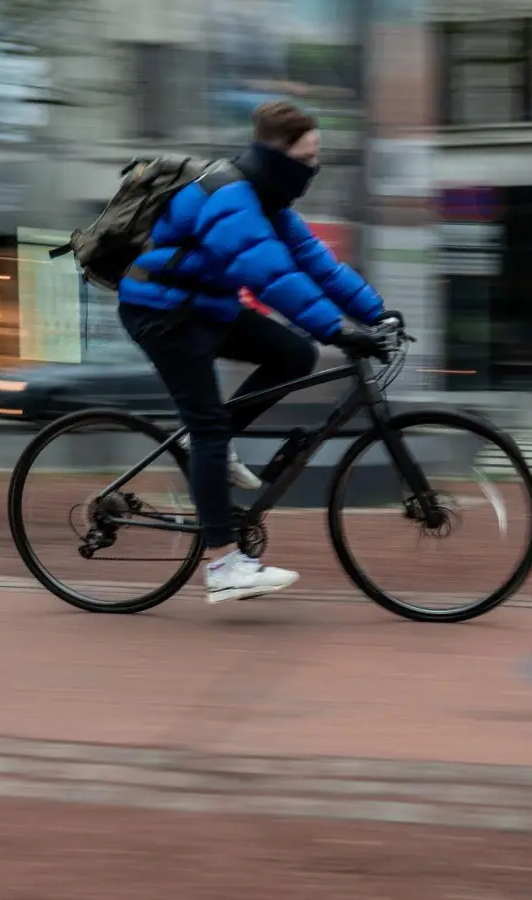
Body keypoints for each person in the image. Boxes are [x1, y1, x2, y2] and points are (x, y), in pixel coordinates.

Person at [118, 100, 398, 603]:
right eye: (309, 156)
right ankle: (223, 565)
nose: (315, 167)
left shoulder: (269, 201)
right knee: (206, 426)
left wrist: (377, 314)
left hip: (204, 308)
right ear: (278, 155)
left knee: (294, 354)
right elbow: (269, 275)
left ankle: (213, 444)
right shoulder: (230, 198)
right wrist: (337, 328)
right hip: (161, 313)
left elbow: (319, 265)